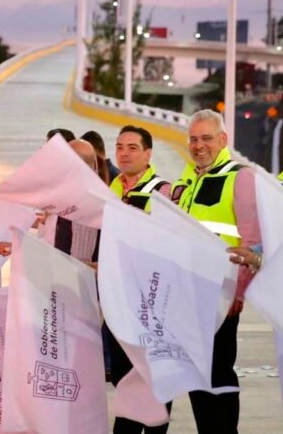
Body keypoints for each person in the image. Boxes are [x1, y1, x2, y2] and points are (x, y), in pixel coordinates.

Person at [171, 109, 261, 434]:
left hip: (221, 294)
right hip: (188, 293)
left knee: (220, 373)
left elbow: (252, 242)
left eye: (206, 138)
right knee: (197, 373)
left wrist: (240, 291)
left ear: (223, 140)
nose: (199, 145)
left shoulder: (240, 177)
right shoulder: (187, 177)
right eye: (194, 139)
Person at [106, 125, 172, 434]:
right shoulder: (112, 189)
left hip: (151, 304)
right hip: (119, 302)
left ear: (148, 154)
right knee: (123, 376)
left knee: (155, 379)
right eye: (120, 147)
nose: (124, 153)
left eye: (133, 147)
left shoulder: (163, 191)